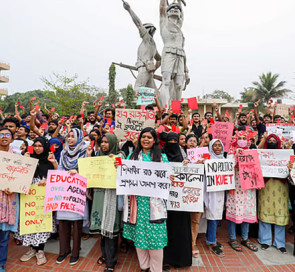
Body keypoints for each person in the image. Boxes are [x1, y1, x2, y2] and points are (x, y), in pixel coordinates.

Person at [120, 127, 170, 272]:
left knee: (156, 239)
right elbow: (124, 174)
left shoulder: (161, 157)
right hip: (137, 204)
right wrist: (118, 166)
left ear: (154, 140)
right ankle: (144, 267)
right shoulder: (132, 157)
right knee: (139, 237)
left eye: (149, 137)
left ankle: (156, 269)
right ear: (139, 139)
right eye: (143, 137)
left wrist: (169, 177)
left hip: (155, 206)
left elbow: (167, 178)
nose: (146, 139)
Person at [16, 137, 57, 265]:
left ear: (45, 147)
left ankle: (40, 251)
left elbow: (57, 177)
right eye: (35, 145)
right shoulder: (28, 159)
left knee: (41, 222)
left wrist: (47, 180)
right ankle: (32, 249)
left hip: (43, 196)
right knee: (30, 222)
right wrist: (26, 162)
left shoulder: (50, 161)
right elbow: (21, 176)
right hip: (29, 196)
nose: (37, 148)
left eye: (40, 146)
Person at [90, 133, 125, 272]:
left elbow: (124, 168)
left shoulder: (120, 154)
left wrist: (116, 160)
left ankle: (111, 263)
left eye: (106, 142)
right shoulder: (98, 155)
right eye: (102, 142)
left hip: (112, 195)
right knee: (102, 228)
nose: (103, 144)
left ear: (112, 142)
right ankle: (105, 255)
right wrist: (89, 157)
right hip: (99, 194)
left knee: (111, 228)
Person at [56, 128, 88, 265]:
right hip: (64, 191)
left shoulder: (85, 152)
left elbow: (88, 171)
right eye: (68, 136)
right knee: (63, 222)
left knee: (76, 223)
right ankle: (63, 250)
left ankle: (75, 252)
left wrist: (79, 171)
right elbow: (59, 169)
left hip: (77, 192)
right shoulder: (63, 152)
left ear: (79, 138)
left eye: (72, 136)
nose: (69, 139)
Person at [162, 132, 192, 269]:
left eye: (175, 140)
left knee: (180, 230)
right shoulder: (160, 156)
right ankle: (166, 259)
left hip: (180, 202)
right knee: (165, 230)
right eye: (170, 140)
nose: (173, 143)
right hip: (164, 201)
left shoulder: (183, 156)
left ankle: (180, 259)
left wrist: (187, 166)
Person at [226, 131, 258, 252]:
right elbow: (228, 167)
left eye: (245, 138)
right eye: (240, 138)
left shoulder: (251, 151)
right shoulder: (231, 151)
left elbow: (256, 168)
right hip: (235, 186)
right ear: (236, 139)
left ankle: (245, 238)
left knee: (247, 210)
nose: (242, 140)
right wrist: (235, 156)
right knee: (233, 210)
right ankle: (232, 238)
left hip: (248, 187)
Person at [257, 134, 290, 253]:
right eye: (269, 140)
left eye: (274, 140)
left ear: (278, 143)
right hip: (265, 187)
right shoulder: (261, 156)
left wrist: (289, 167)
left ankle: (280, 242)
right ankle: (265, 240)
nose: (271, 142)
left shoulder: (285, 156)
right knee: (265, 212)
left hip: (281, 188)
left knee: (280, 213)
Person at [123, 1, 161, 94]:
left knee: (137, 88)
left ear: (148, 30)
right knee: (155, 94)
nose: (140, 30)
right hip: (148, 70)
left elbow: (138, 23)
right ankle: (155, 107)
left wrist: (129, 9)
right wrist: (152, 68)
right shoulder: (152, 45)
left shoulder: (147, 39)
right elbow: (160, 59)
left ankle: (144, 107)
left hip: (144, 69)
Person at [159, 0, 190, 106]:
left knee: (178, 85)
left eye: (178, 9)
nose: (176, 9)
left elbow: (182, 14)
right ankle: (165, 109)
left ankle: (176, 110)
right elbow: (162, 6)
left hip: (181, 56)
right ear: (167, 13)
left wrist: (179, 4)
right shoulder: (164, 23)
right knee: (166, 81)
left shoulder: (179, 26)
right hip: (168, 54)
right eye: (172, 8)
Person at [0, 128, 19, 272]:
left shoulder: (18, 158)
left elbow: (23, 179)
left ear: (12, 139)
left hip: (10, 199)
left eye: (7, 135)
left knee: (4, 235)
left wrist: (14, 187)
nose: (4, 137)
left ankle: (1, 263)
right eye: (1, 135)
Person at [204, 139, 226, 257]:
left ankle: (210, 236)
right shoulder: (208, 160)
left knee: (218, 214)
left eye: (219, 145)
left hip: (221, 190)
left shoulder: (224, 160)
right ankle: (211, 242)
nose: (217, 148)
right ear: (211, 147)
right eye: (215, 146)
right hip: (211, 191)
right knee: (212, 214)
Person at [184, 134, 202, 258]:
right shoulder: (180, 155)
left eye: (194, 141)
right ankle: (184, 244)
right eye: (190, 141)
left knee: (195, 219)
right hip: (184, 193)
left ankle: (193, 243)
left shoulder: (203, 156)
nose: (192, 143)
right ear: (185, 143)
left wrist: (203, 164)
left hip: (198, 193)